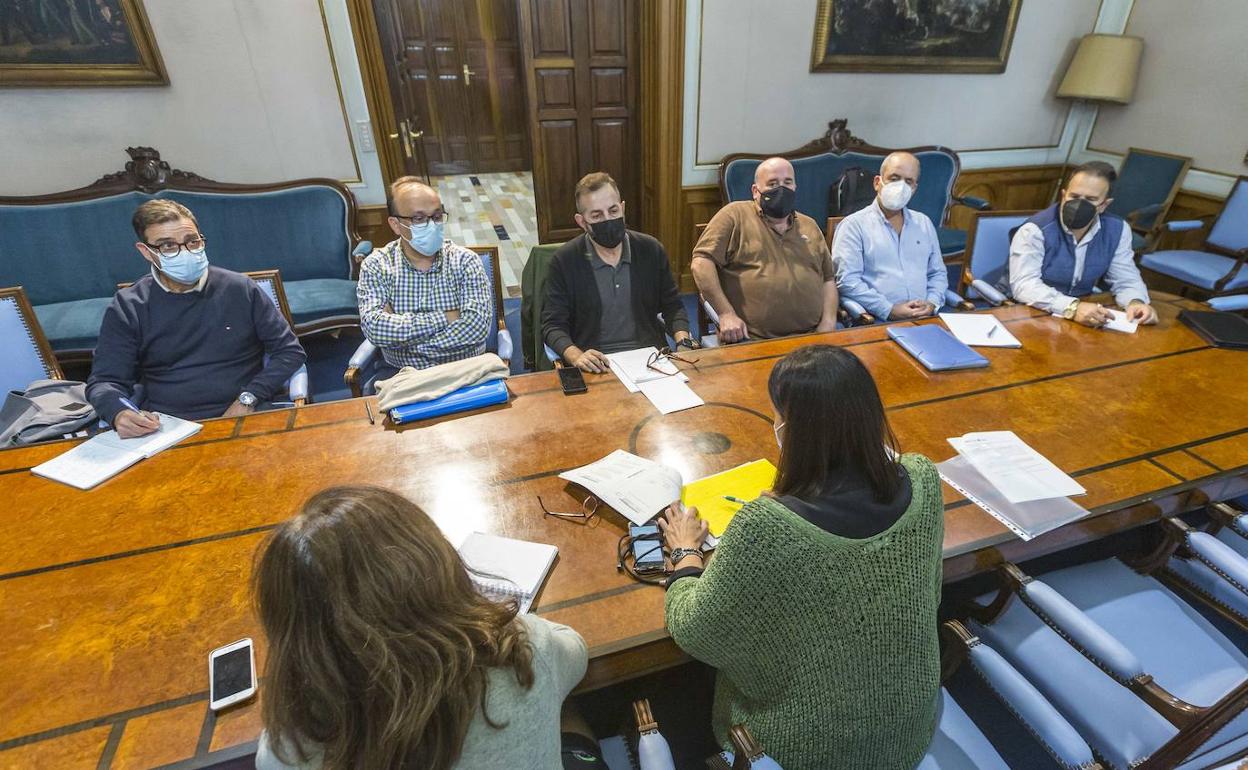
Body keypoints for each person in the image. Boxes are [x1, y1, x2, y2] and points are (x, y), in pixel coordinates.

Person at [660, 345, 943, 770]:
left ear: (793, 429)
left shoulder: (766, 527)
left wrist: (685, 555)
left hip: (805, 750)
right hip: (910, 726)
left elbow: (695, 631)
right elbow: (931, 593)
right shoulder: (923, 477)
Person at [254, 485, 603, 770]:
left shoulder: (288, 751)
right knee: (569, 712)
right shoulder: (526, 649)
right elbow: (575, 650)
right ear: (439, 567)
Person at [86, 200, 306, 436]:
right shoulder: (129, 305)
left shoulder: (240, 289)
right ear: (146, 252)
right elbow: (105, 381)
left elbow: (289, 352)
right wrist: (120, 412)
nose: (185, 252)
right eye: (168, 246)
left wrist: (249, 397)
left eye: (192, 241)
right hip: (166, 425)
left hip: (246, 412)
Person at [542, 172, 694, 373]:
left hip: (650, 358)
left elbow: (673, 306)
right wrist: (576, 356)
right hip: (596, 365)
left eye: (613, 211)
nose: (608, 219)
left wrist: (683, 342)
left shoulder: (650, 250)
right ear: (581, 221)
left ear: (622, 208)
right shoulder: (564, 261)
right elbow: (552, 326)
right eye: (596, 215)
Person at [690, 157, 839, 341]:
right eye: (772, 183)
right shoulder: (734, 215)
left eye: (787, 182)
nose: (781, 189)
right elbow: (701, 263)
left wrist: (829, 321)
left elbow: (828, 279)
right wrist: (726, 313)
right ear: (755, 191)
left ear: (794, 188)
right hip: (751, 339)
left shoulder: (810, 225)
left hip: (811, 337)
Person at [357, 177, 492, 379]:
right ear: (395, 224)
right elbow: (375, 329)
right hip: (403, 375)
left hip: (466, 370)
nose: (431, 225)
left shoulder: (465, 261)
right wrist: (447, 317)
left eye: (437, 216)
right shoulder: (377, 266)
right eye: (419, 219)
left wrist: (407, 343)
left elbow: (477, 327)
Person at [1007, 161, 1157, 327]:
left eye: (1091, 199)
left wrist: (1135, 302)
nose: (1079, 205)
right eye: (1074, 197)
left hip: (1084, 313)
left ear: (1104, 205)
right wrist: (1072, 307)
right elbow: (1024, 285)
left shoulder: (1118, 230)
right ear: (1063, 195)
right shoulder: (1035, 230)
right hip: (1030, 311)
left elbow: (1125, 278)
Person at [833, 151, 948, 320]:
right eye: (894, 178)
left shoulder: (923, 223)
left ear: (914, 188)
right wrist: (888, 309)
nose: (901, 187)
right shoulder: (853, 225)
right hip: (878, 319)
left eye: (909, 181)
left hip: (925, 317)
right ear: (878, 183)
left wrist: (931, 303)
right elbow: (847, 281)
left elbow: (937, 273)